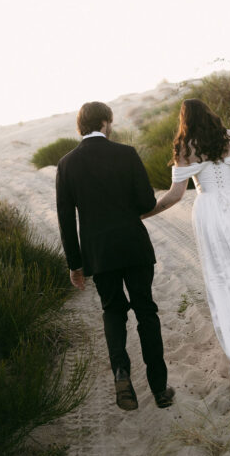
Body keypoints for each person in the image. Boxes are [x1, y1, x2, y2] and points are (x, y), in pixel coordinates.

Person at [143, 98, 230, 397]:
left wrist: (147, 213)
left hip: (211, 215)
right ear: (209, 114)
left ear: (185, 120)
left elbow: (176, 195)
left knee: (225, 280)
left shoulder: (185, 148)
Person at [56, 101, 175, 411]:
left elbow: (66, 220)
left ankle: (121, 373)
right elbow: (146, 201)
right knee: (146, 311)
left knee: (113, 312)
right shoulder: (127, 154)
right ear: (106, 123)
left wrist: (75, 264)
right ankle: (160, 389)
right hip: (134, 246)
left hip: (99, 253)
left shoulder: (67, 165)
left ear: (80, 127)